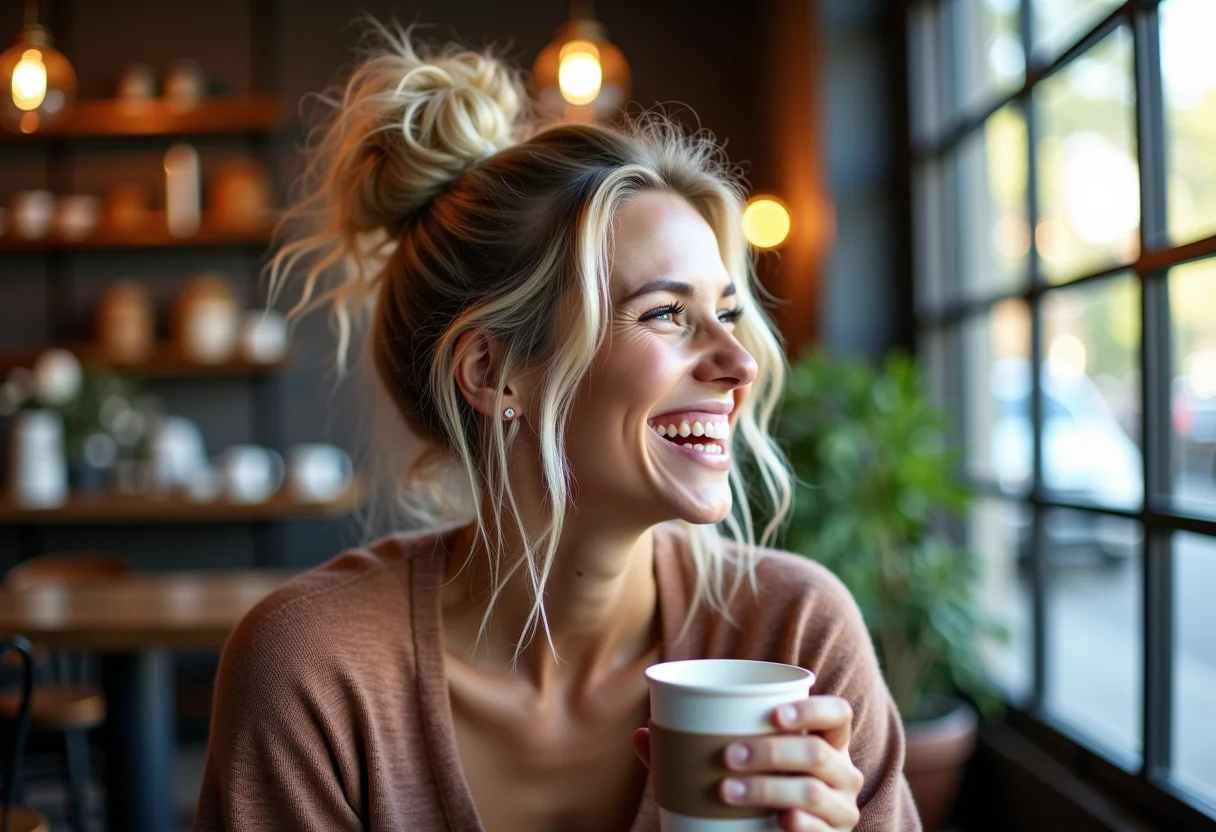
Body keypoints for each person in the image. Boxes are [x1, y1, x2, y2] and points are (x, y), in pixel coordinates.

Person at [194, 25, 920, 832]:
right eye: (668, 314)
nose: (739, 365)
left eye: (728, 314)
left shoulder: (797, 634)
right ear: (492, 374)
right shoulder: (314, 673)